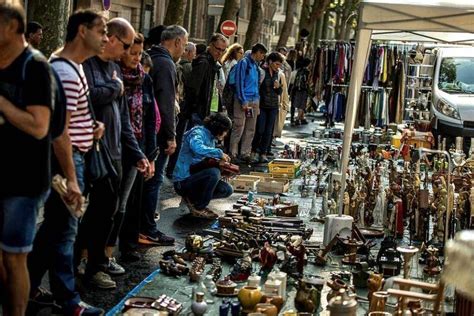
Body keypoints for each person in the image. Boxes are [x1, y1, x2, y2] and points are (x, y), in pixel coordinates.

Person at [27, 10, 107, 315]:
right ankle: (68, 300)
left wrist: (92, 126)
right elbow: (59, 130)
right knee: (65, 232)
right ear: (82, 31)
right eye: (101, 31)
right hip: (67, 160)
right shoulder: (64, 71)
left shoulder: (75, 66)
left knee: (54, 229)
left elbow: (72, 119)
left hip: (74, 156)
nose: (105, 38)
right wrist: (72, 178)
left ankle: (29, 286)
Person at [79, 17, 150, 289]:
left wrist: (138, 153)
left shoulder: (113, 69)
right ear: (112, 39)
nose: (127, 53)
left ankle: (95, 264)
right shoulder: (86, 64)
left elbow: (123, 122)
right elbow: (86, 98)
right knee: (78, 215)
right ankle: (79, 266)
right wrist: (113, 88)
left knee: (106, 212)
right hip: (89, 150)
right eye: (127, 45)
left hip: (115, 152)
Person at [0, 4, 53, 315]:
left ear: (11, 27)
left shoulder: (34, 67)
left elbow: (39, 126)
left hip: (24, 180)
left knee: (14, 256)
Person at [112, 32, 157, 262]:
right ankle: (101, 251)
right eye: (132, 53)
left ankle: (128, 246)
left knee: (132, 200)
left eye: (140, 54)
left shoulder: (145, 79)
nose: (137, 58)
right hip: (116, 145)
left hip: (137, 145)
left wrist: (151, 154)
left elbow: (150, 118)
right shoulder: (114, 74)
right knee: (113, 201)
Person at [142, 25, 188, 245]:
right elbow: (166, 103)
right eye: (185, 44)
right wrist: (170, 136)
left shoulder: (153, 58)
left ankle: (142, 227)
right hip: (158, 134)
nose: (185, 49)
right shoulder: (166, 63)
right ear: (177, 42)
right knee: (153, 181)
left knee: (147, 182)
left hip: (148, 132)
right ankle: (148, 229)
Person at [173, 113, 233, 219]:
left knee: (226, 189)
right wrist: (219, 153)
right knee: (214, 173)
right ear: (219, 128)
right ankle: (199, 207)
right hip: (182, 181)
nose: (225, 134)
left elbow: (202, 163)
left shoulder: (211, 138)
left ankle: (192, 199)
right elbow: (198, 148)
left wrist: (223, 168)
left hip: (194, 176)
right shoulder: (197, 133)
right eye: (226, 131)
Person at [229, 43, 267, 163]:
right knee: (239, 127)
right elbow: (239, 82)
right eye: (262, 54)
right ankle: (233, 153)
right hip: (244, 100)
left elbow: (256, 84)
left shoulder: (255, 65)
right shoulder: (244, 63)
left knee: (250, 128)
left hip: (254, 100)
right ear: (258, 52)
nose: (263, 57)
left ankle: (245, 153)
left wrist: (257, 101)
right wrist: (243, 100)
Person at [166, 41, 196, 179]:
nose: (194, 55)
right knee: (177, 139)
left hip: (178, 107)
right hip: (181, 108)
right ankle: (171, 169)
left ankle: (170, 168)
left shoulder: (177, 66)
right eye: (192, 52)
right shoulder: (188, 68)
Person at [251, 52, 283, 163]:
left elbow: (280, 91)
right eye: (276, 64)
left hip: (273, 106)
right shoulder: (261, 71)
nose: (278, 67)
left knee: (269, 131)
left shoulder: (277, 73)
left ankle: (263, 153)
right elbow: (257, 88)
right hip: (262, 105)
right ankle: (254, 151)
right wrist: (257, 104)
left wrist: (278, 87)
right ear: (270, 62)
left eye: (279, 65)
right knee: (260, 129)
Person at [290, 57, 311, 126]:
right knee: (302, 105)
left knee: (299, 105)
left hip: (297, 89)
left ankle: (302, 118)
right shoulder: (307, 71)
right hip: (303, 89)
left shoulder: (299, 70)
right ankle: (298, 119)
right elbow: (308, 82)